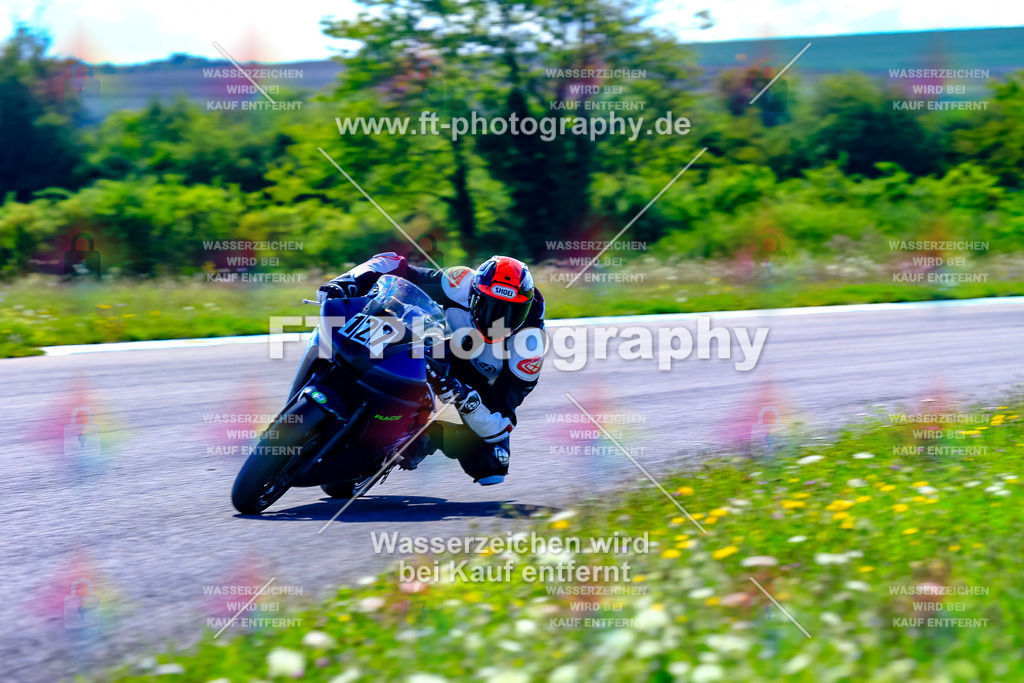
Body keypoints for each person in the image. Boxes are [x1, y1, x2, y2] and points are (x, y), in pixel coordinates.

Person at [316, 252, 545, 485]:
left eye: (511, 313)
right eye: (490, 307)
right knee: (374, 319)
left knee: (491, 465)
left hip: (475, 389)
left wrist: (465, 398)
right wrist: (348, 280)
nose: (497, 321)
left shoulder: (529, 347)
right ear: (474, 294)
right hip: (435, 348)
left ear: (525, 310)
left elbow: (502, 420)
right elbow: (396, 265)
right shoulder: (461, 283)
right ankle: (342, 374)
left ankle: (420, 437)